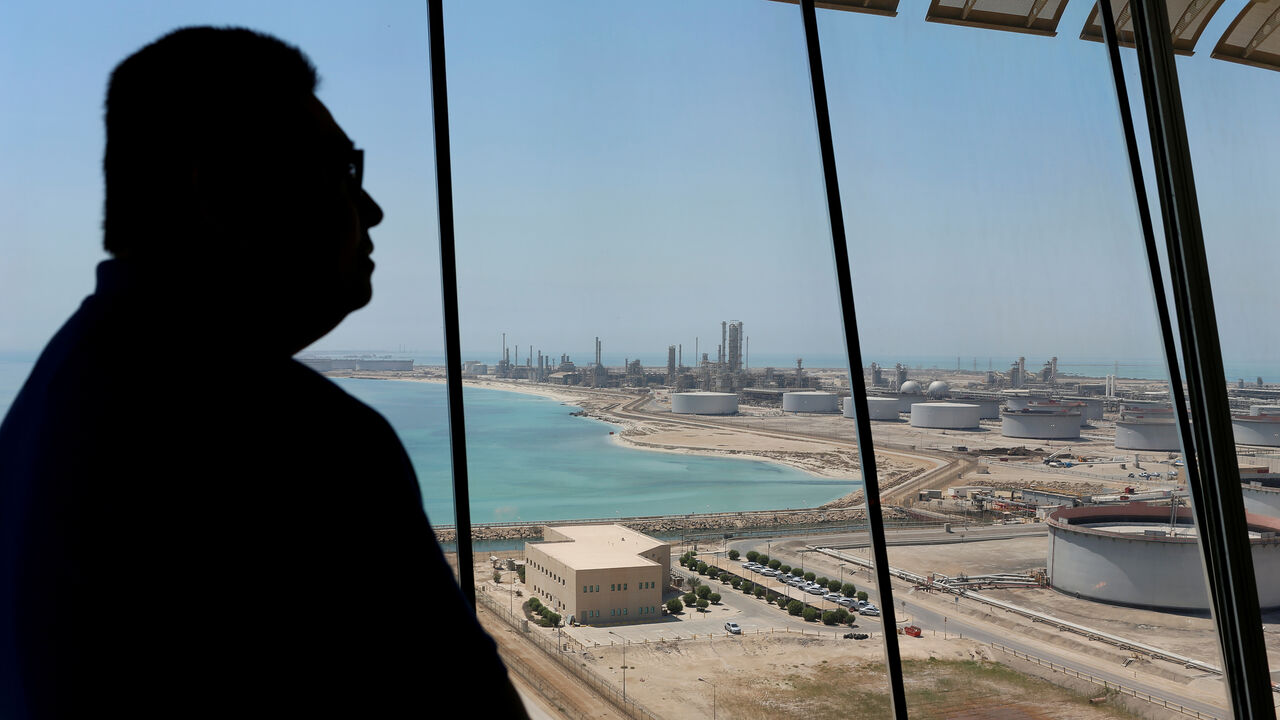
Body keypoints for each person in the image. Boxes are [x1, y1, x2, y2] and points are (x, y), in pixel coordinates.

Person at [0, 27, 529, 718]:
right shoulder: (301, 442)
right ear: (221, 189)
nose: (371, 210)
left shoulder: (46, 402)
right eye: (342, 173)